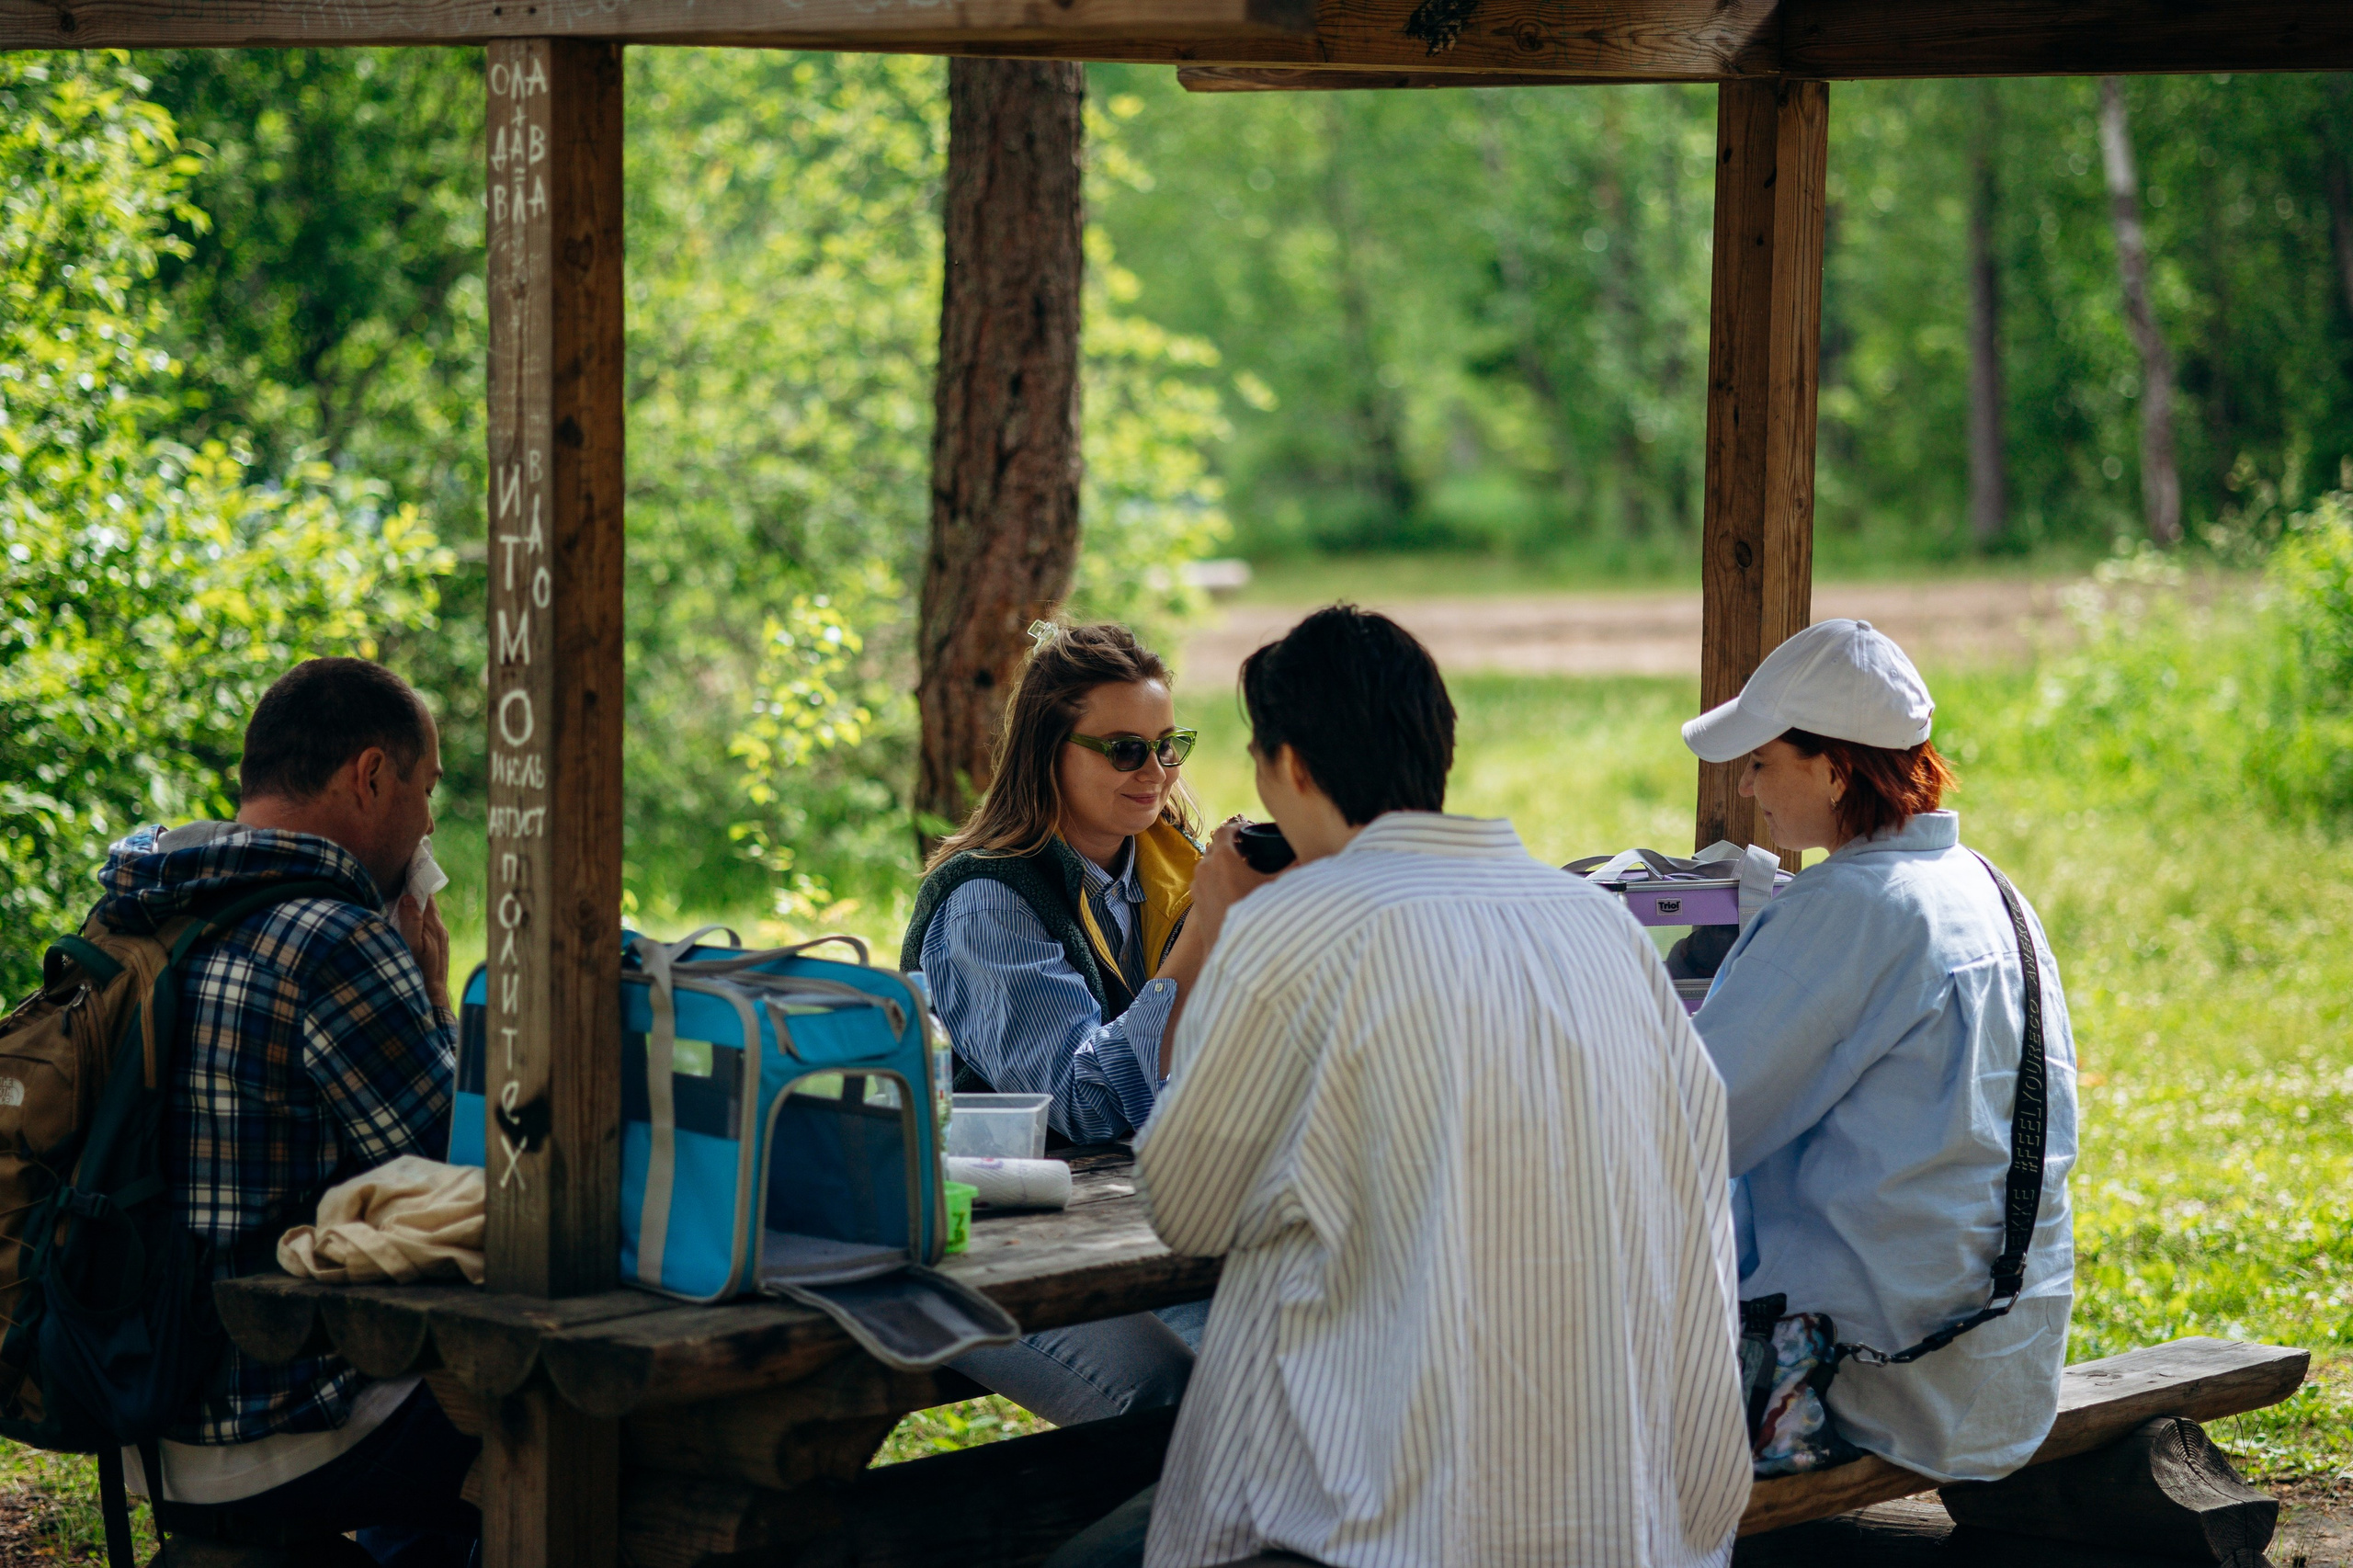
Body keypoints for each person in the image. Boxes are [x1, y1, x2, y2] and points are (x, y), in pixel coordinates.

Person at [1051, 606, 1752, 1568]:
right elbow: (1701, 1186)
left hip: (1379, 1514)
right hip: (1623, 1503)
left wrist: (1221, 931)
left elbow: (1186, 1205)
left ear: (1288, 766)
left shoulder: (1290, 933)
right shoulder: (1599, 927)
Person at [95, 658, 478, 1566]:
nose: (428, 821)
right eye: (425, 789)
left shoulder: (142, 911)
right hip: (277, 1421)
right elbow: (460, 1185)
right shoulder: (333, 939)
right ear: (370, 774)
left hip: (137, 1412)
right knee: (564, 1419)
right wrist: (431, 1001)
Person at [1683, 618, 2079, 1483]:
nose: (1748, 790)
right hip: (2003, 1363)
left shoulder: (1849, 908)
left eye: (1761, 763)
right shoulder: (1989, 888)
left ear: (1832, 768)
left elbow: (1687, 1124)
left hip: (1871, 1380)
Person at [900, 623, 1259, 1423]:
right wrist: (1204, 932)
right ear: (1047, 752)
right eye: (1124, 750)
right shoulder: (990, 902)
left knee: (1296, 1364)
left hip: (1141, 1221)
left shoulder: (1173, 867)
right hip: (992, 1249)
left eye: (1171, 746)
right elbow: (1086, 1104)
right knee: (1175, 1401)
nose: (1158, 773)